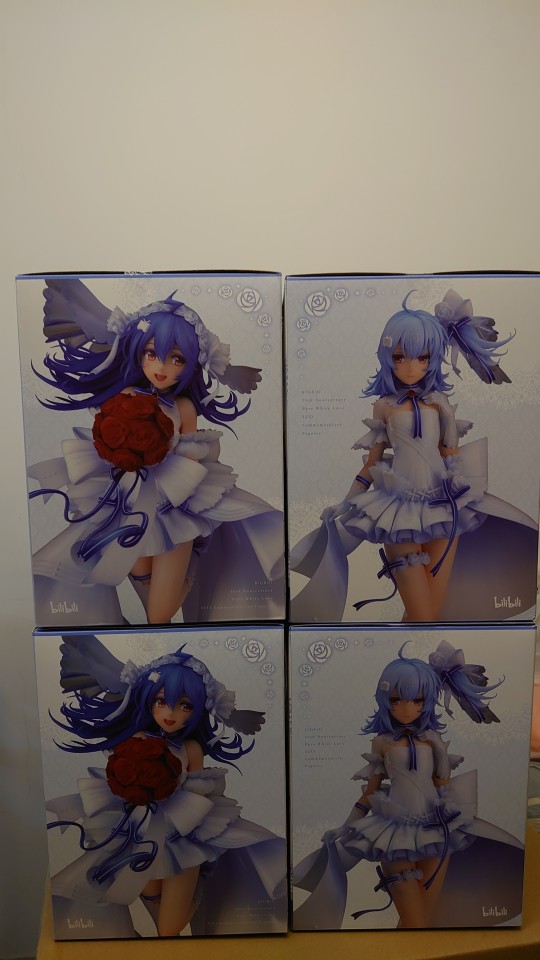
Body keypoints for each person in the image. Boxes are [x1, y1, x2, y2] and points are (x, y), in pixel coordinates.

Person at [29, 280, 284, 623]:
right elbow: (104, 442)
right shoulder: (124, 397)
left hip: (175, 507)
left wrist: (162, 457)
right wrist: (123, 453)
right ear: (137, 353)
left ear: (191, 364)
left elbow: (191, 461)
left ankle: (190, 573)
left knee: (160, 614)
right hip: (127, 503)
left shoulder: (184, 407)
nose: (162, 367)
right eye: (152, 354)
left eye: (176, 358)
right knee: (138, 573)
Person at [290, 289, 537, 622]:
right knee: (422, 612)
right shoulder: (384, 406)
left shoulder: (438, 403)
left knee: (429, 613)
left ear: (433, 358)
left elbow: (450, 456)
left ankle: (409, 650)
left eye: (422, 357)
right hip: (398, 508)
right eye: (400, 357)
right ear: (387, 356)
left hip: (443, 506)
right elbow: (372, 463)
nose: (410, 367)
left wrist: (447, 421)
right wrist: (345, 503)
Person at [47, 636, 286, 937]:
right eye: (161, 701)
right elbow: (117, 778)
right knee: (149, 893)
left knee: (170, 927)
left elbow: (202, 792)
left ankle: (197, 897)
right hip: (139, 829)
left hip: (182, 835)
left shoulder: (191, 749)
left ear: (199, 709)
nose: (170, 714)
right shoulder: (136, 740)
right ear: (149, 700)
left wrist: (174, 791)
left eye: (185, 705)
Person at [293, 641, 524, 929]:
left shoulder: (431, 739)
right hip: (394, 832)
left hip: (435, 829)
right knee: (416, 922)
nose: (406, 709)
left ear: (427, 701)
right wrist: (345, 826)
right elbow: (370, 793)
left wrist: (440, 754)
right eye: (396, 700)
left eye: (417, 700)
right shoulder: (382, 742)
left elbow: (442, 784)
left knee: (423, 921)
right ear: (385, 699)